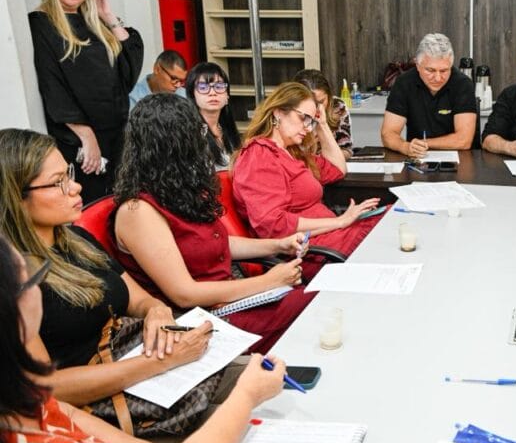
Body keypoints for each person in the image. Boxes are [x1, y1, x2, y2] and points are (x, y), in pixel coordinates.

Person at [0, 236, 289, 443]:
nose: (75, 189)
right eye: (31, 278)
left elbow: (63, 412)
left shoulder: (19, 401)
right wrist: (246, 396)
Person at [0, 127, 211, 411]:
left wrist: (157, 312)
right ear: (14, 197)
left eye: (69, 175)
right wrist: (160, 361)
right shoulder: (13, 276)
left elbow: (137, 299)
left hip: (144, 366)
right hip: (108, 399)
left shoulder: (78, 240)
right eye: (57, 182)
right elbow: (45, 387)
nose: (76, 188)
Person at [111, 94, 313, 355]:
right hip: (202, 321)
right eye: (197, 131)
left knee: (315, 300)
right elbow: (184, 293)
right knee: (313, 305)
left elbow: (215, 242)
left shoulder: (177, 189)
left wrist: (277, 244)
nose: (202, 138)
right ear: (172, 143)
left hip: (229, 299)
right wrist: (269, 281)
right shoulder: (137, 211)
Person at [28, 0, 144, 204]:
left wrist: (108, 16)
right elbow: (52, 85)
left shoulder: (95, 24)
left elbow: (129, 72)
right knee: (93, 210)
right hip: (82, 142)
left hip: (117, 136)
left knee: (123, 206)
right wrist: (86, 135)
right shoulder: (40, 24)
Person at [232, 82, 381, 262]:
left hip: (330, 237)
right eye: (304, 118)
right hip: (310, 251)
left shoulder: (293, 152)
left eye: (312, 121)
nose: (309, 128)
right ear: (278, 112)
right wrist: (339, 221)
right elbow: (274, 226)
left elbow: (337, 169)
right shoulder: (259, 155)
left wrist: (322, 124)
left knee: (390, 216)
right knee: (385, 233)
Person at [380, 33, 477, 158]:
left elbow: (464, 140)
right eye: (430, 70)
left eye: (444, 71)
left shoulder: (463, 84)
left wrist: (422, 144)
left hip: (460, 160)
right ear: (417, 65)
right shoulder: (404, 83)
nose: (437, 78)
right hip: (418, 158)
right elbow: (388, 133)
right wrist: (405, 147)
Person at [185, 62, 241, 170]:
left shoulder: (228, 130)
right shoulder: (190, 134)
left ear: (227, 95)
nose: (212, 92)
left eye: (219, 86)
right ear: (192, 95)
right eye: (203, 87)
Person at [294, 68, 353, 158]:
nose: (317, 108)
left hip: (330, 165)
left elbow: (346, 150)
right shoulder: (288, 113)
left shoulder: (338, 108)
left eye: (321, 101)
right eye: (311, 103)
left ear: (329, 96)